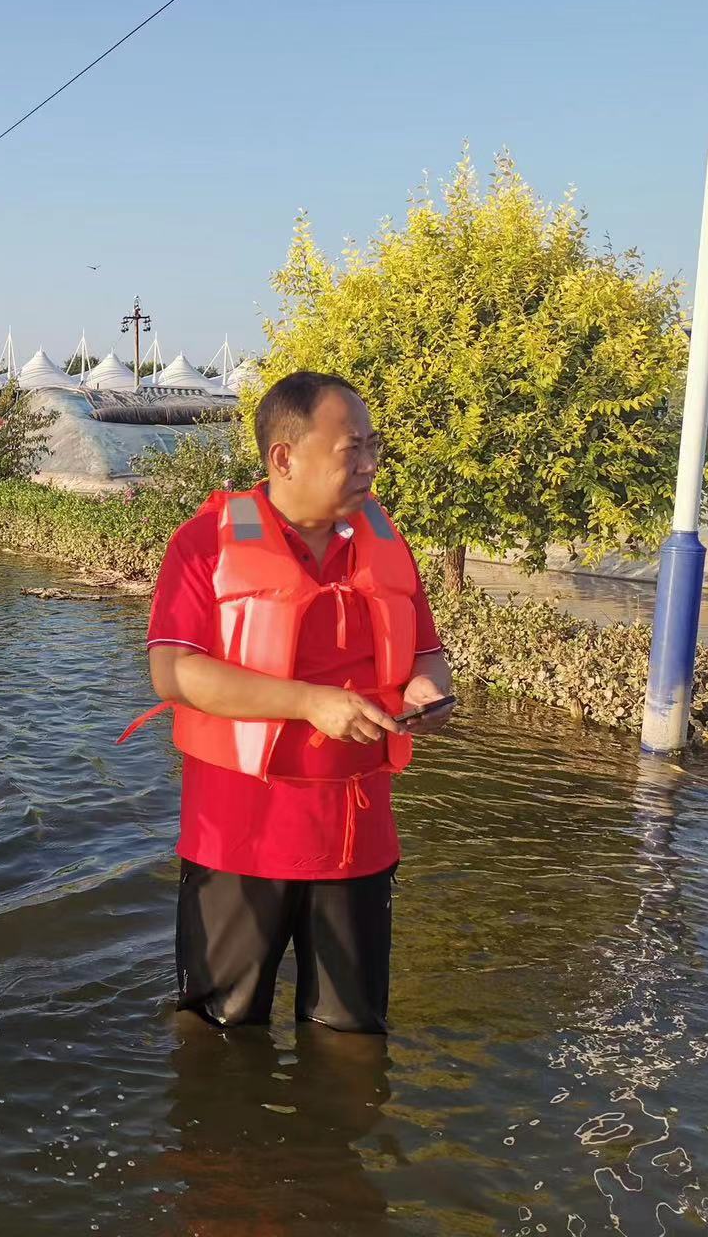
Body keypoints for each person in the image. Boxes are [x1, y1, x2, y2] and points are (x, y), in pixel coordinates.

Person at [129, 370, 454, 1034]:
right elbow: (174, 674)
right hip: (239, 840)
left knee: (350, 1032)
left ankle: (334, 1136)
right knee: (220, 1030)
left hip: (356, 838)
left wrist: (428, 687)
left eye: (373, 447)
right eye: (350, 450)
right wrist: (308, 703)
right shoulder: (204, 546)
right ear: (284, 457)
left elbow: (426, 649)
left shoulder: (383, 543)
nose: (368, 466)